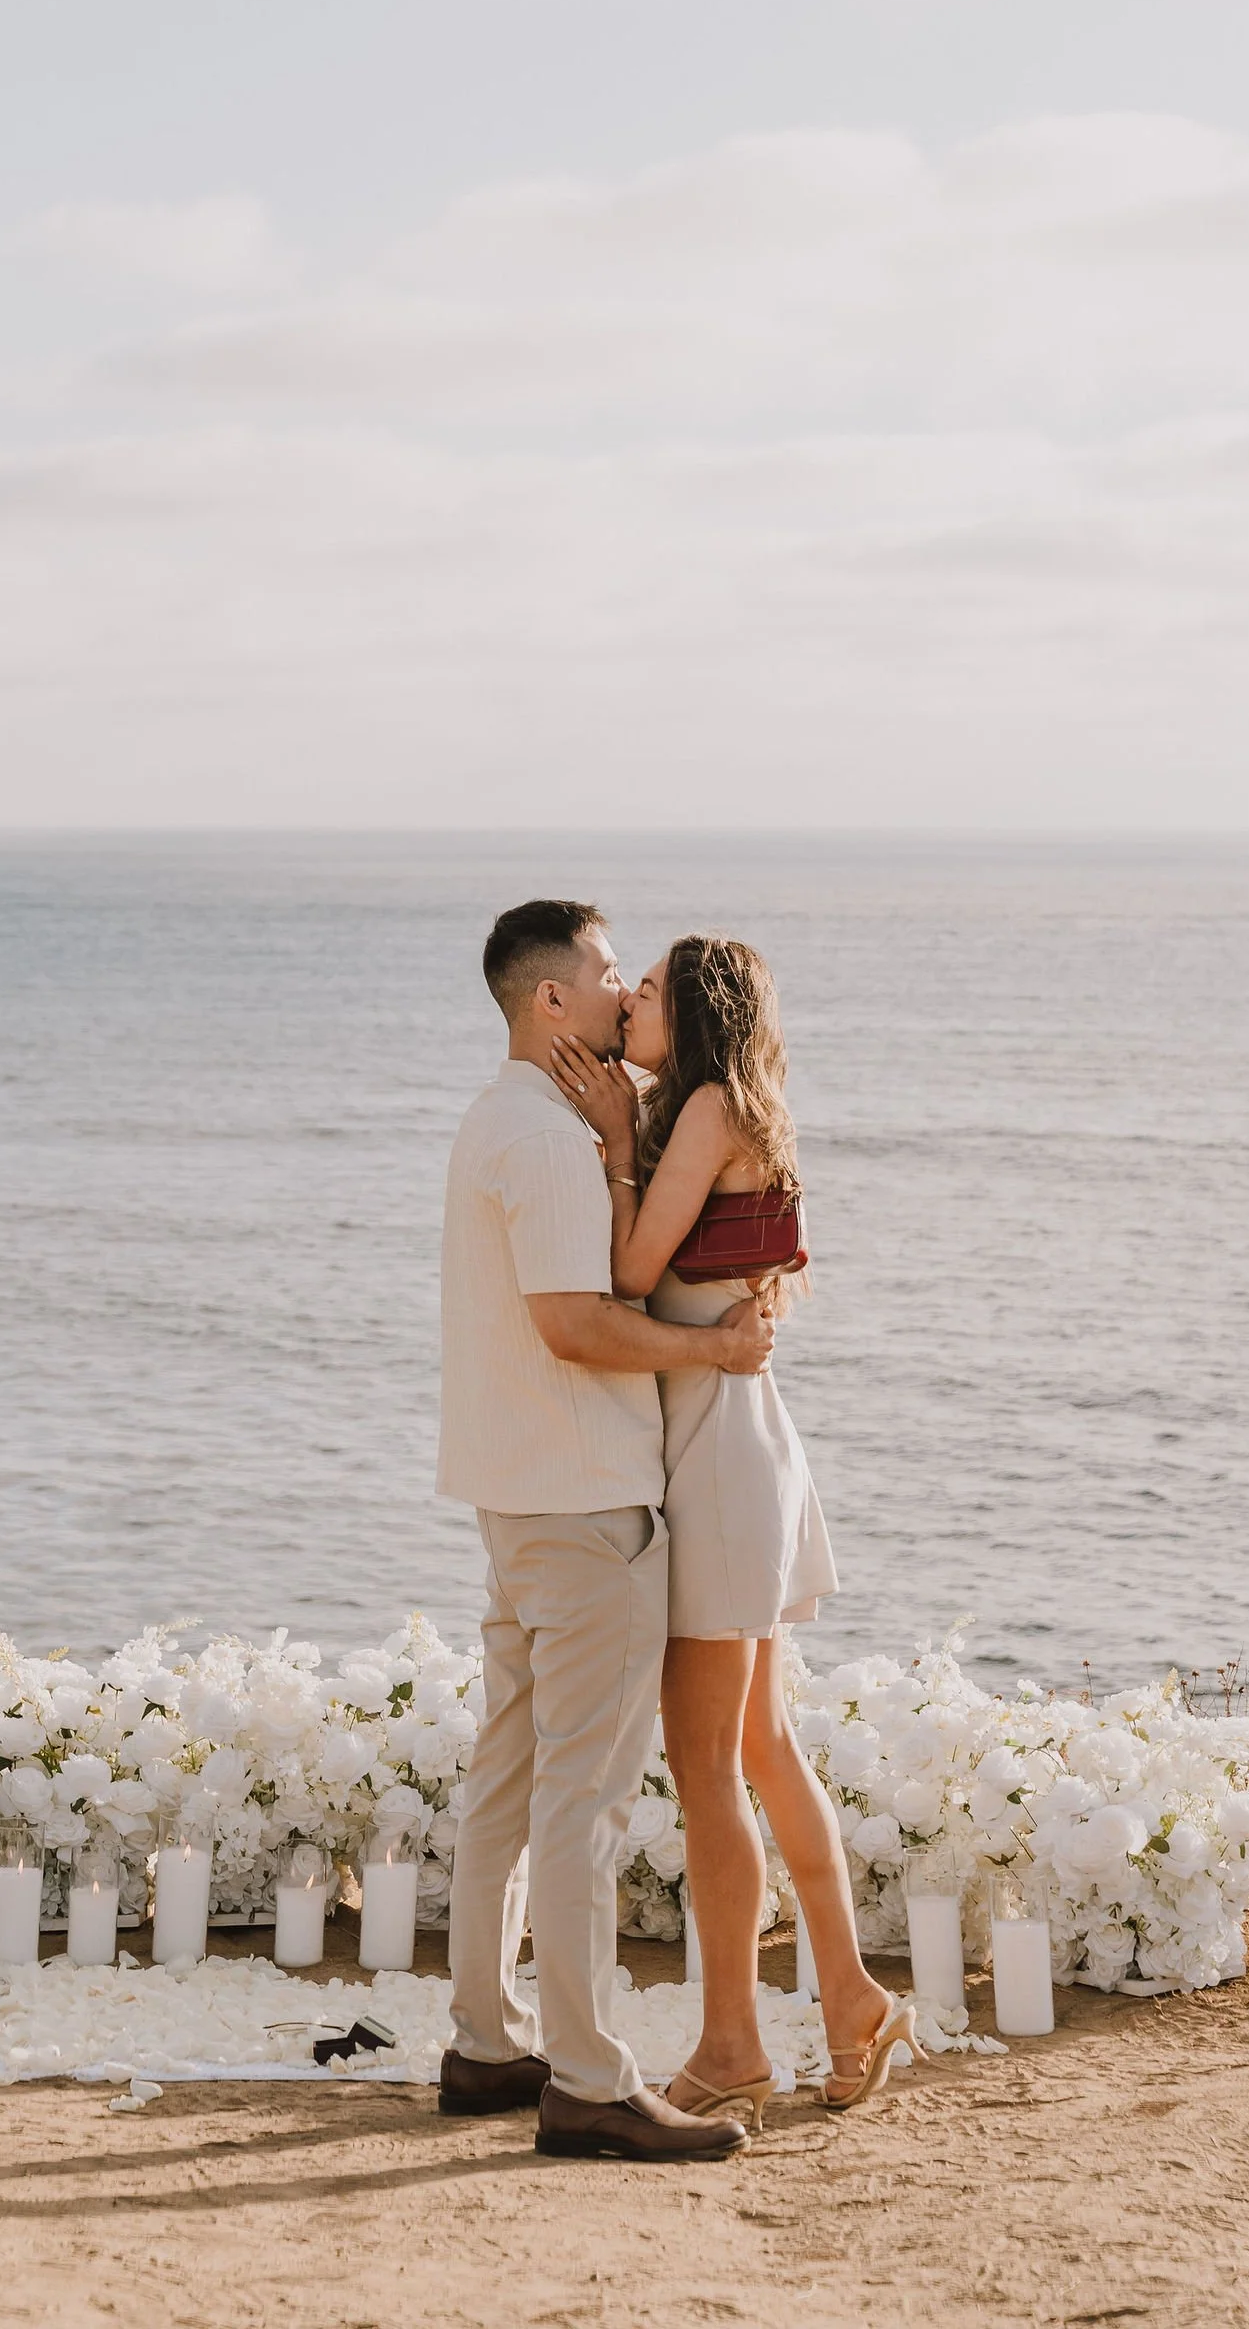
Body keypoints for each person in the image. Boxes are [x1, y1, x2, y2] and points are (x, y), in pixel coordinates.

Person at [550, 935, 918, 2121]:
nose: (630, 1003)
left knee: (710, 1764)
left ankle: (731, 2047)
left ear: (695, 1011)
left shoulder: (702, 1108)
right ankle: (851, 1995)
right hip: (745, 1437)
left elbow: (624, 1268)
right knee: (761, 1751)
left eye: (647, 988)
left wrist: (610, 1140)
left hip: (716, 1454)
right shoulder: (728, 1104)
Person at [436, 898, 779, 2163]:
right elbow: (579, 1323)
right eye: (600, 969)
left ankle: (486, 2042)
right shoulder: (549, 1142)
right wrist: (713, 1351)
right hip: (583, 1505)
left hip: (518, 1494)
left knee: (512, 1777)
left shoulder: (505, 1117)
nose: (619, 984)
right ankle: (583, 2079)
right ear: (550, 1003)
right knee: (581, 1801)